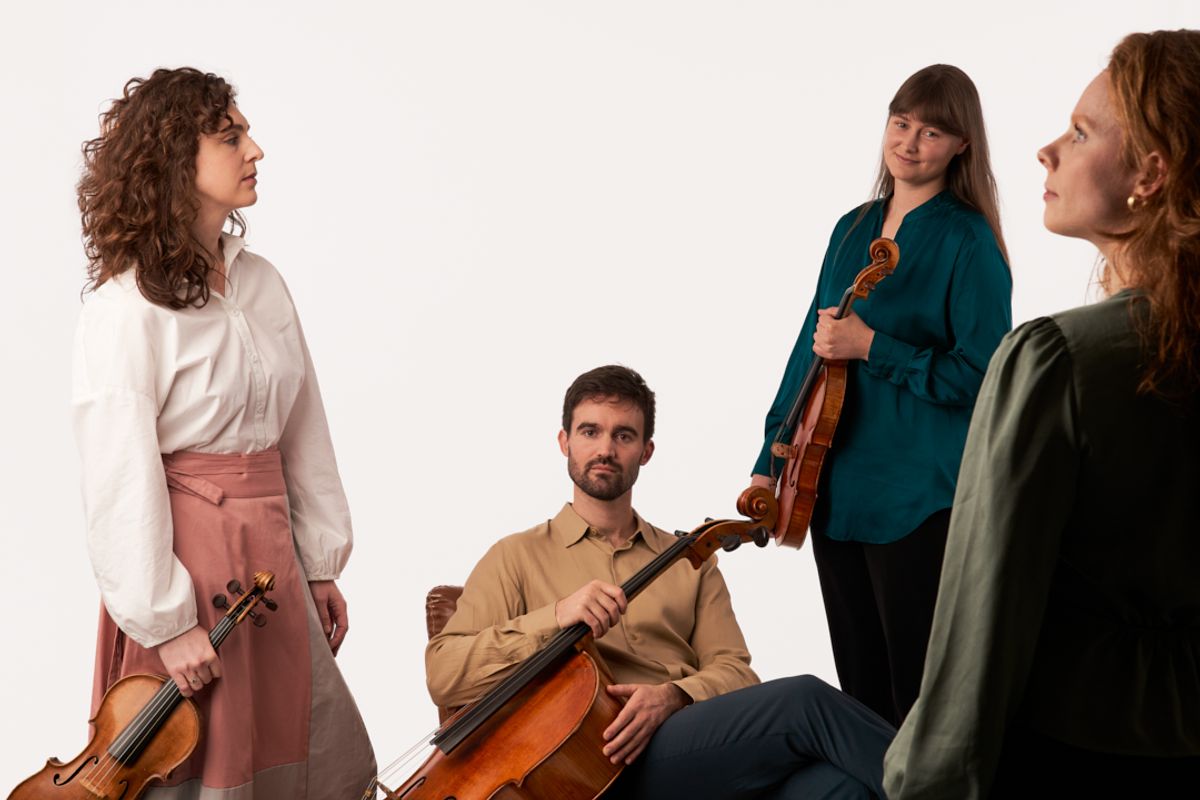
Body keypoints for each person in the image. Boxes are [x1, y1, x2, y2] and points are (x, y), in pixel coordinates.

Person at [884, 30, 1200, 798]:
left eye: (1081, 133)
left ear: (1151, 173)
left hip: (1070, 749)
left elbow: (981, 619)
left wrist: (923, 783)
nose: (1046, 152)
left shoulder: (1056, 359)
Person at [73, 67, 374, 797]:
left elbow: (303, 427)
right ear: (177, 159)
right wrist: (167, 622)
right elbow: (118, 477)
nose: (255, 150)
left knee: (310, 754)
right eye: (231, 137)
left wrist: (320, 562)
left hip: (274, 558)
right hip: (192, 566)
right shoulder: (125, 308)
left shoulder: (263, 281)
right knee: (203, 766)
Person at [425, 365, 895, 800]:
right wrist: (556, 616)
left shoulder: (690, 560)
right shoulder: (515, 556)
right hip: (591, 763)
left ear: (646, 451)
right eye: (590, 431)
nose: (605, 449)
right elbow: (444, 673)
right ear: (564, 442)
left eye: (623, 435)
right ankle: (938, 782)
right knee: (804, 702)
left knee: (843, 787)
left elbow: (736, 672)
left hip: (690, 751)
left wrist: (675, 696)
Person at [750, 65, 1012, 726]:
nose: (910, 142)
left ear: (962, 145)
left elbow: (984, 376)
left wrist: (874, 347)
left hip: (918, 498)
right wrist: (769, 458)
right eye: (901, 123)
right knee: (861, 694)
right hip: (832, 487)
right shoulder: (852, 228)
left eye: (932, 132)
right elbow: (810, 348)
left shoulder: (968, 240)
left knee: (921, 701)